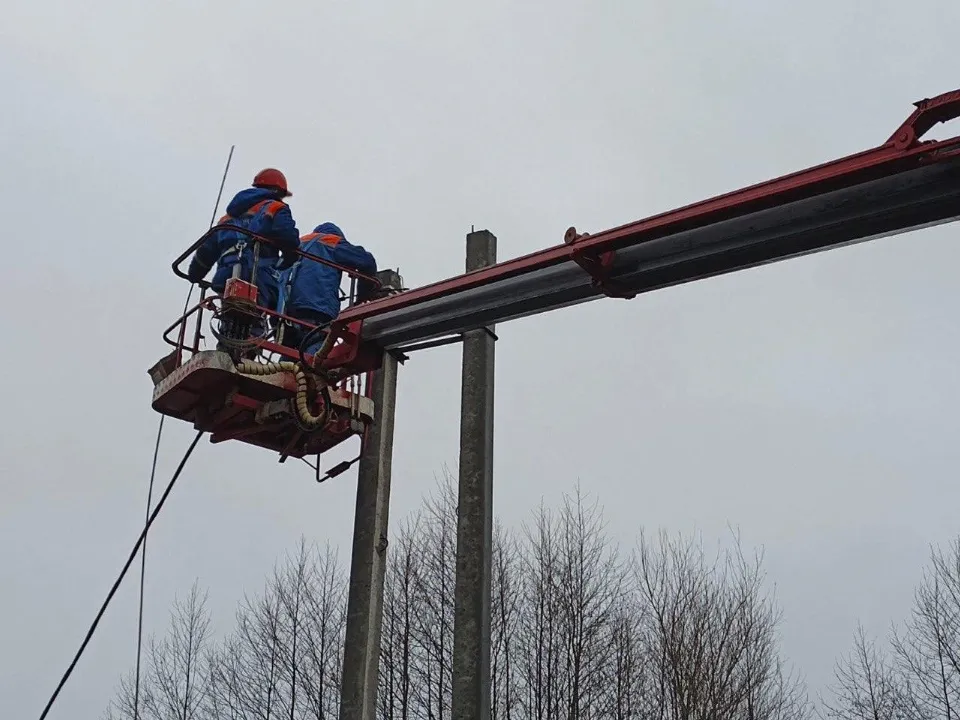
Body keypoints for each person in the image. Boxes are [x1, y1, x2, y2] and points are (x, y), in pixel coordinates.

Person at [187, 168, 300, 314]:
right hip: (258, 277)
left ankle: (228, 332)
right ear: (277, 191)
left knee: (229, 319)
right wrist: (288, 260)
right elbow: (289, 238)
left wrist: (195, 274)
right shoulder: (276, 207)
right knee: (253, 325)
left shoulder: (226, 219)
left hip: (226, 277)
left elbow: (206, 252)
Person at [281, 222, 377, 356]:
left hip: (285, 315)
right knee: (313, 362)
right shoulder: (331, 242)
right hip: (317, 311)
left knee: (288, 361)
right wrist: (363, 297)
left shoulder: (298, 243)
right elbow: (367, 261)